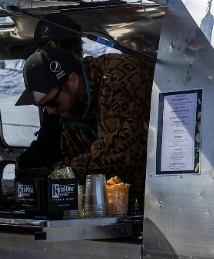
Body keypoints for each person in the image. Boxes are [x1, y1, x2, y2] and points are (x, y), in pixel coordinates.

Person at [14, 44, 153, 197]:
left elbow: (115, 156)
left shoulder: (121, 77)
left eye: (51, 102)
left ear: (73, 80)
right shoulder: (74, 107)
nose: (50, 111)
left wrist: (48, 184)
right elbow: (73, 160)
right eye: (41, 106)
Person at [16, 16, 85, 175]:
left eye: (41, 51)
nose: (51, 109)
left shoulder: (63, 93)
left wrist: (24, 165)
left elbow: (49, 145)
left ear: (52, 46)